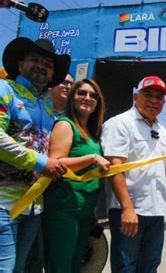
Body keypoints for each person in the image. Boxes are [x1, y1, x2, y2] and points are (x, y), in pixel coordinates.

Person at [101, 75, 166, 272]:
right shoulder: (120, 124)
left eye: (159, 97)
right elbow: (115, 168)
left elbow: (160, 173)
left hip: (156, 211)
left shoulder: (162, 131)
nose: (153, 100)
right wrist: (127, 208)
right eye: (147, 94)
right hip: (130, 211)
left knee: (150, 267)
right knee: (126, 267)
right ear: (135, 97)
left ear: (163, 102)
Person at [0, 37, 70, 272]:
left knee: (19, 268)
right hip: (3, 202)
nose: (41, 65)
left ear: (52, 74)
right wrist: (41, 163)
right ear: (20, 65)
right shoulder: (4, 89)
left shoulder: (49, 107)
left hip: (34, 205)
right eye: (34, 60)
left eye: (47, 64)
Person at [42, 79, 109, 272]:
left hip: (84, 211)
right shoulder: (65, 125)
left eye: (92, 95)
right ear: (72, 97)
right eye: (81, 93)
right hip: (63, 208)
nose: (87, 98)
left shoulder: (92, 132)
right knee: (60, 266)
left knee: (74, 265)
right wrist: (92, 158)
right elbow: (55, 163)